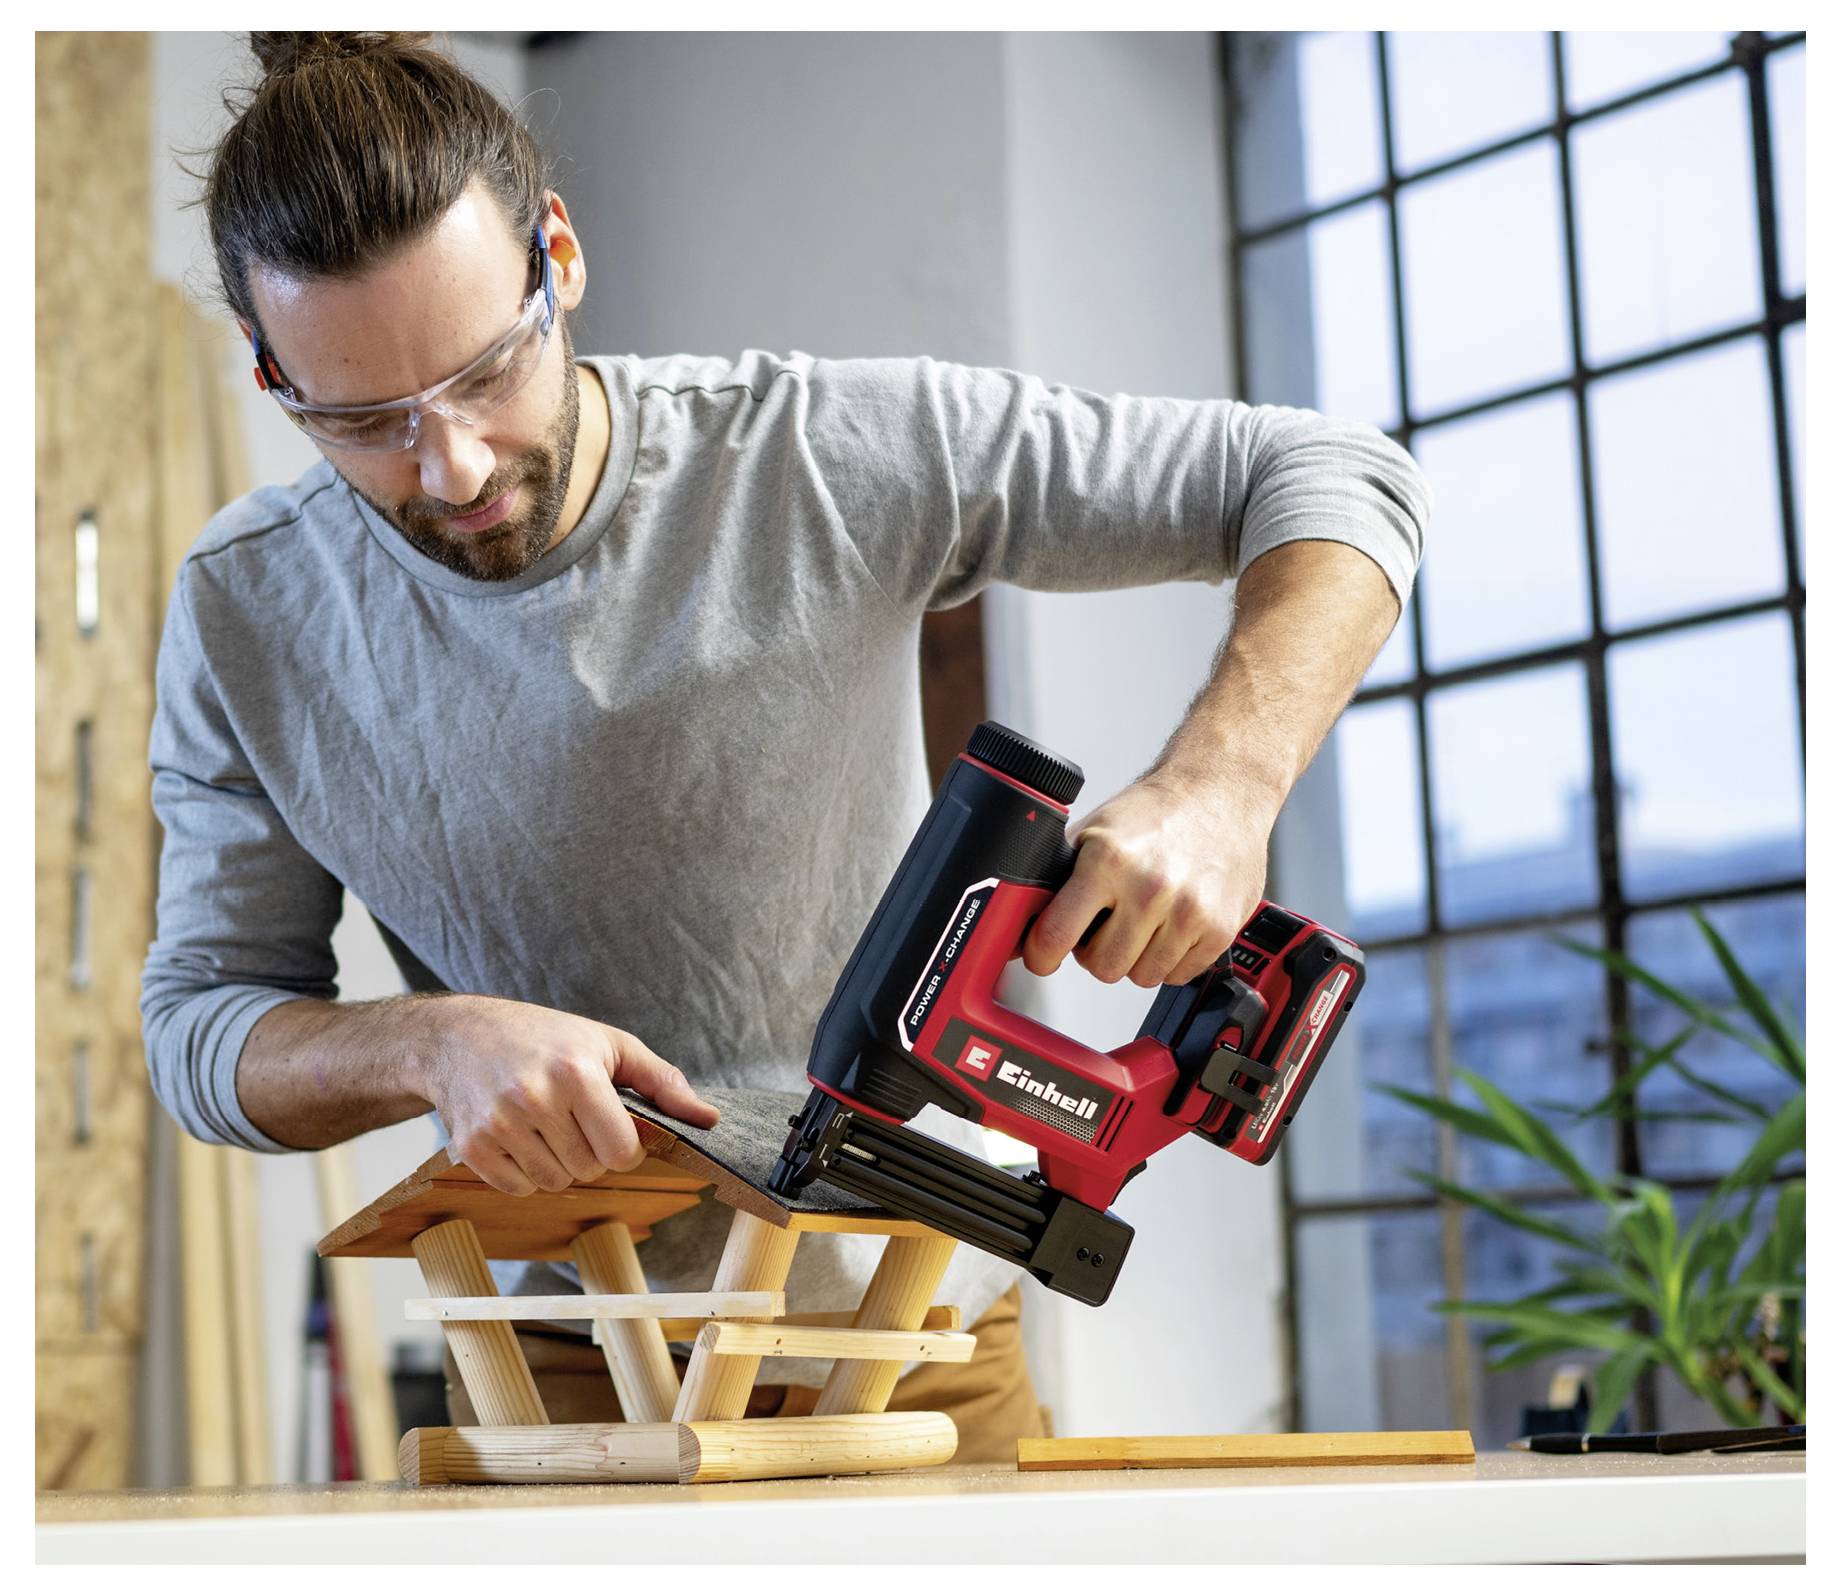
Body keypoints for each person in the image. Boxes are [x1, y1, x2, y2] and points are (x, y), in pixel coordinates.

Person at [145, 32, 1430, 1462]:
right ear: (269, 373)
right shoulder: (248, 609)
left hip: (917, 1340)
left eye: (486, 371)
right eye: (360, 419)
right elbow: (200, 1025)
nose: (449, 464)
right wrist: (431, 1043)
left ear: (556, 254)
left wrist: (1220, 787)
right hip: (569, 1374)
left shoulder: (818, 452)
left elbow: (1333, 475)